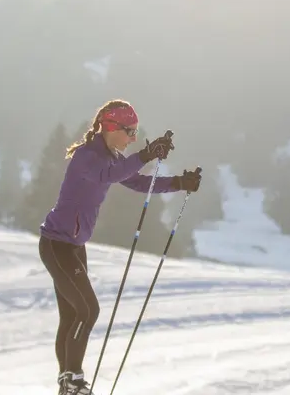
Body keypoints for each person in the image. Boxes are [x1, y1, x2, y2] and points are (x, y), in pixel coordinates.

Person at [38, 99, 202, 395]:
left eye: (136, 133)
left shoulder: (110, 156)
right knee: (88, 311)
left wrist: (179, 182)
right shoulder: (88, 156)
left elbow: (137, 183)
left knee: (73, 315)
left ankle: (67, 384)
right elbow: (110, 176)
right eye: (129, 131)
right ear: (110, 126)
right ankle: (73, 381)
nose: (133, 138)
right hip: (56, 245)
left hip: (73, 245)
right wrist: (145, 154)